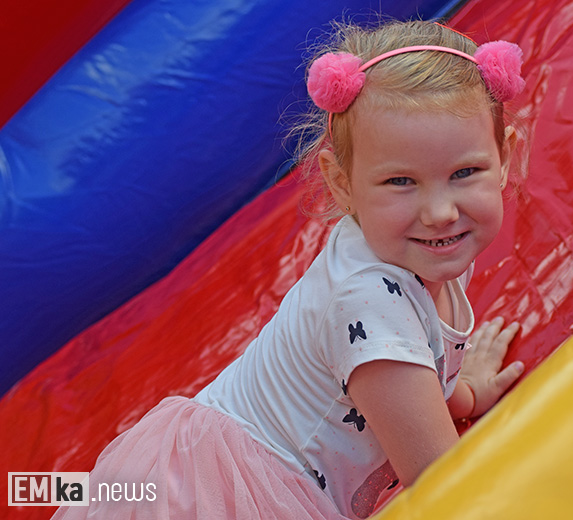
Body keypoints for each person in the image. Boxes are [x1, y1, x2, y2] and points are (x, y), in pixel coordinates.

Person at [52, 18, 527, 520]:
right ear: (341, 183)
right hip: (225, 496)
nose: (440, 212)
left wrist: (464, 394)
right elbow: (444, 482)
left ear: (504, 157)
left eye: (464, 172)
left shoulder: (423, 245)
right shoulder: (370, 301)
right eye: (400, 182)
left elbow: (410, 382)